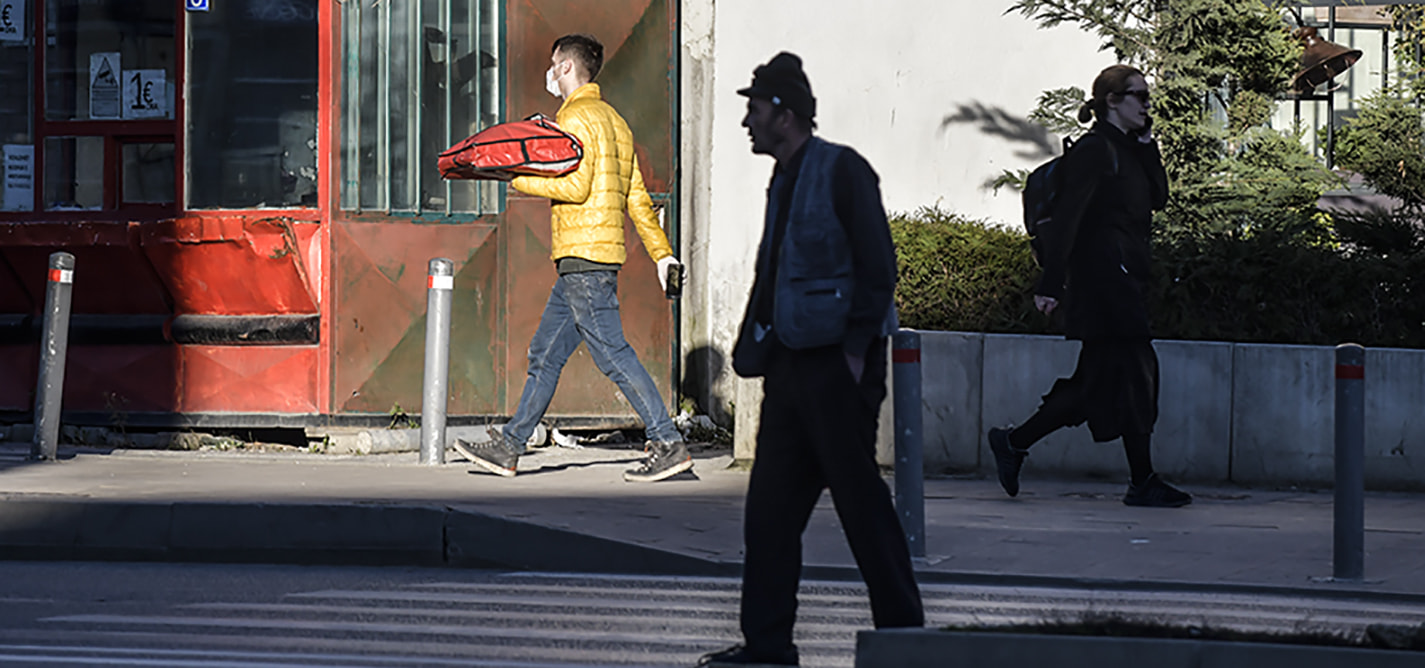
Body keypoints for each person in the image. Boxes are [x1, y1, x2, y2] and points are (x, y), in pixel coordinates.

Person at [698, 52, 923, 668]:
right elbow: (774, 274)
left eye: (755, 108)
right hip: (792, 369)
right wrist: (758, 349)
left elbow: (879, 270)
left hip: (837, 370)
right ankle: (767, 645)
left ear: (786, 115)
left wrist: (855, 356)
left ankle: (906, 638)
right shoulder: (784, 177)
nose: (747, 121)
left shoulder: (842, 171)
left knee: (862, 511)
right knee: (769, 513)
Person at [452, 33, 690, 483]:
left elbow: (575, 187)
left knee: (613, 354)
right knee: (545, 353)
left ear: (565, 68)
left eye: (551, 64)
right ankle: (510, 445)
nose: (548, 74)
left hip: (584, 258)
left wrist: (518, 180)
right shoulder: (616, 122)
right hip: (590, 261)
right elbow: (636, 198)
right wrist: (662, 254)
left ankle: (667, 442)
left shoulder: (576, 117)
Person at [988, 64, 1191, 508]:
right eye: (1137, 96)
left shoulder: (1128, 150)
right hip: (1103, 283)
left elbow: (1158, 196)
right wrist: (1050, 282)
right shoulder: (1094, 151)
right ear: (1112, 102)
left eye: (1147, 97)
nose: (1146, 104)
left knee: (1096, 385)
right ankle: (1142, 481)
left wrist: (1147, 145)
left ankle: (1013, 441)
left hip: (1123, 279)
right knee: (1138, 371)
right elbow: (1067, 220)